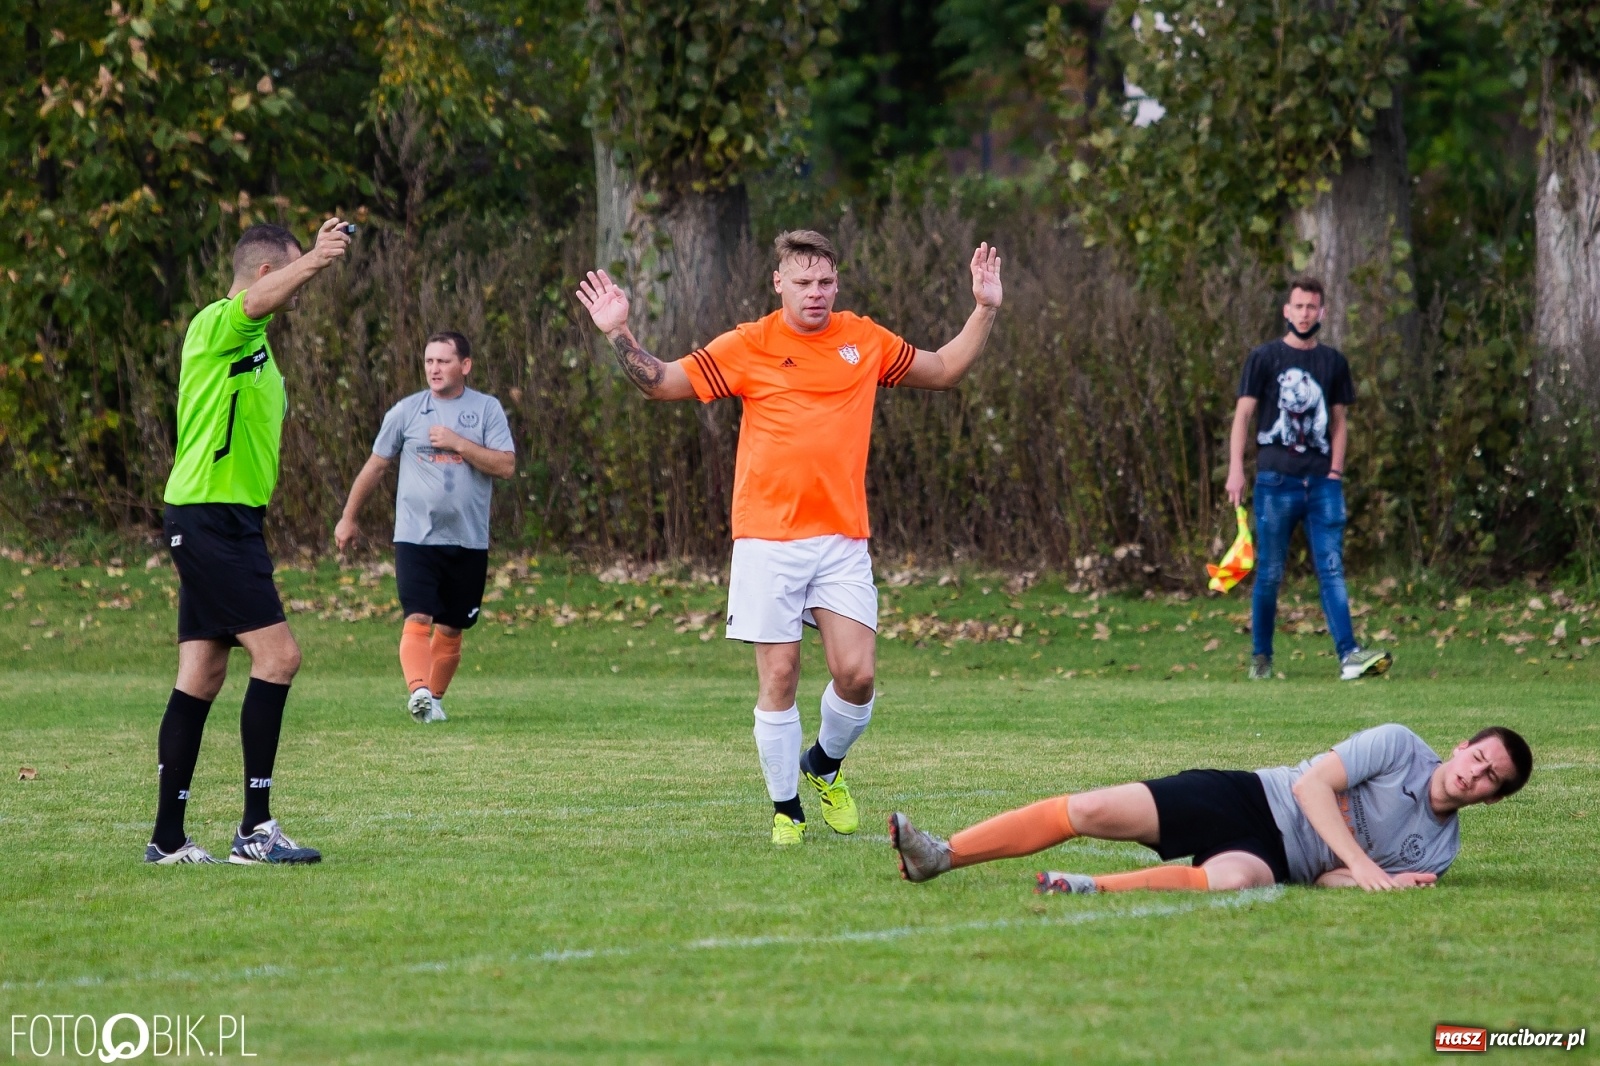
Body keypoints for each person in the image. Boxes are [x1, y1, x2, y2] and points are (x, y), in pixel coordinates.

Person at [576, 230, 1003, 846]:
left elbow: (944, 369)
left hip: (841, 539)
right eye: (803, 282)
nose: (816, 293)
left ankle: (823, 765)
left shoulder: (863, 338)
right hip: (767, 540)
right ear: (779, 284)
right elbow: (661, 382)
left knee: (856, 676)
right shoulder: (749, 344)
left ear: (837, 283)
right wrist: (619, 331)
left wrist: (984, 307)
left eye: (825, 281)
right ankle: (787, 810)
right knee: (779, 677)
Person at [148, 217, 351, 865]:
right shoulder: (219, 322)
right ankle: (255, 831)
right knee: (280, 657)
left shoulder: (255, 343)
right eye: (292, 276)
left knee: (203, 673)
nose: (299, 291)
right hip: (209, 518)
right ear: (267, 273)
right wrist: (318, 257)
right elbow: (257, 300)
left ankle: (168, 839)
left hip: (226, 522)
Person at [889, 723, 1532, 893]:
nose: (1475, 775)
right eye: (1479, 759)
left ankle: (1086, 888)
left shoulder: (1439, 854)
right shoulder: (1398, 747)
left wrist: (1376, 884)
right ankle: (942, 855)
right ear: (1461, 747)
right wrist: (1367, 864)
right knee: (1087, 809)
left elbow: (1332, 879)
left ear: (1493, 799)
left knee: (1232, 881)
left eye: (1490, 780)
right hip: (1250, 795)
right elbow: (1311, 788)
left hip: (1274, 858)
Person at [335, 331, 515, 723]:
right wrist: (349, 517)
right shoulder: (406, 411)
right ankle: (417, 689)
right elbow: (376, 466)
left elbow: (506, 465)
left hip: (468, 540)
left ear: (464, 366)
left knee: (451, 628)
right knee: (417, 616)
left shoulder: (486, 410)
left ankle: (432, 699)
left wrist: (459, 444)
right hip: (416, 536)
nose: (434, 368)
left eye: (443, 361)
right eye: (429, 360)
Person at [1224, 276, 1391, 681]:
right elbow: (1243, 415)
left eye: (1311, 307)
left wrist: (1334, 471)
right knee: (1269, 573)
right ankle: (1261, 658)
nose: (1304, 314)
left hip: (1321, 486)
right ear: (1286, 310)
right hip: (1274, 482)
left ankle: (1349, 655)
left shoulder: (1333, 363)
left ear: (1322, 312)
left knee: (1331, 568)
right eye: (1298, 306)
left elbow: (1338, 422)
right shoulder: (1263, 358)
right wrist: (1236, 469)